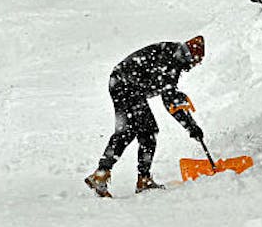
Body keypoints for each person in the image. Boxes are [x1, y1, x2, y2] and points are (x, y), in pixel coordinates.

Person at [85, 36, 206, 197]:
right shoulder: (170, 60)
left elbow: (169, 96)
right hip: (126, 85)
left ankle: (103, 174)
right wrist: (191, 127)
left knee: (129, 131)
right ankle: (141, 179)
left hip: (122, 83)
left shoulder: (172, 56)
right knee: (146, 131)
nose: (195, 65)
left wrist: (190, 124)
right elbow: (169, 98)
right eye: (197, 61)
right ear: (191, 56)